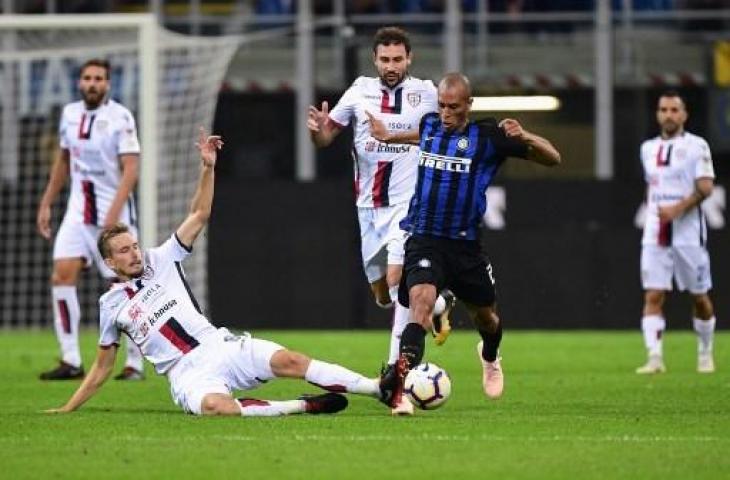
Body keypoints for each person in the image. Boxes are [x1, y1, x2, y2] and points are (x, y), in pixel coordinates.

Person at [45, 128, 393, 417]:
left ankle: (378, 388)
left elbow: (198, 215)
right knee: (217, 408)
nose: (134, 252)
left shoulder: (161, 258)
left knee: (291, 359)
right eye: (124, 251)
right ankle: (301, 406)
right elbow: (103, 367)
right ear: (109, 263)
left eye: (133, 245)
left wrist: (208, 168)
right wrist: (68, 407)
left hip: (219, 345)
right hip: (185, 372)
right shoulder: (111, 305)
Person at [371, 73, 560, 403]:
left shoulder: (489, 137)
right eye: (442, 106)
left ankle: (489, 356)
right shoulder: (431, 125)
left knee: (486, 318)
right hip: (424, 237)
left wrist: (526, 135)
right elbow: (420, 134)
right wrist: (388, 136)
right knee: (420, 306)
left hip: (465, 246)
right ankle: (399, 386)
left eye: (453, 108)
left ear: (468, 105)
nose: (445, 113)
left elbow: (553, 157)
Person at [307, 26, 455, 415]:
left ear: (409, 59)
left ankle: (396, 383)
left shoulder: (426, 92)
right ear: (375, 60)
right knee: (383, 294)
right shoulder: (358, 91)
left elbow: (444, 133)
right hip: (367, 207)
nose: (391, 66)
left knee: (397, 283)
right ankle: (438, 304)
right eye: (385, 60)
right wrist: (319, 134)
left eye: (398, 59)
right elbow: (327, 137)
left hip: (407, 206)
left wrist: (396, 132)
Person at [36, 58, 145, 381]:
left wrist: (112, 214)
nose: (92, 83)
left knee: (127, 285)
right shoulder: (69, 114)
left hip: (114, 214)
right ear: (79, 82)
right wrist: (46, 203)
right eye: (87, 77)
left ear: (108, 84)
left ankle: (135, 363)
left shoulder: (120, 117)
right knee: (62, 276)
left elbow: (131, 169)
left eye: (99, 78)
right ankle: (71, 359)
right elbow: (64, 161)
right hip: (77, 212)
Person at [635, 91, 717, 375]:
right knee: (653, 295)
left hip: (688, 234)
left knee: (699, 297)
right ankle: (655, 358)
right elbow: (652, 186)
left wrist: (677, 209)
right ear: (658, 114)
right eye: (663, 109)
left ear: (683, 115)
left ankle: (705, 352)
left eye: (673, 110)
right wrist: (655, 210)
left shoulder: (697, 146)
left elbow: (706, 187)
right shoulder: (647, 148)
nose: (668, 114)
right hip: (655, 233)